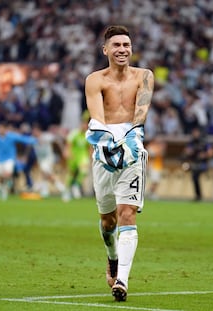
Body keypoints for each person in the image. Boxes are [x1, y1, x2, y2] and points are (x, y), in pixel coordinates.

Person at [85, 25, 154, 302]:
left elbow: (141, 112)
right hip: (104, 150)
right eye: (117, 45)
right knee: (107, 220)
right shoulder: (95, 80)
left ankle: (122, 280)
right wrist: (106, 142)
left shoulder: (145, 76)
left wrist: (132, 139)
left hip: (133, 150)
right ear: (106, 50)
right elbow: (97, 118)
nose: (123, 49)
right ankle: (112, 258)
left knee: (128, 213)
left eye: (126, 44)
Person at [31, 123, 66, 198]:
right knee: (45, 174)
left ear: (38, 131)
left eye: (34, 131)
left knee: (45, 170)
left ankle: (60, 188)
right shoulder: (33, 140)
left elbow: (57, 139)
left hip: (49, 158)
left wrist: (62, 150)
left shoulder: (46, 136)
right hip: (41, 160)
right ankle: (48, 190)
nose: (33, 133)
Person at [62, 111, 91, 201]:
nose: (84, 126)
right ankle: (67, 191)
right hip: (74, 156)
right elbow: (68, 144)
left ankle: (76, 186)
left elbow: (89, 147)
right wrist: (67, 152)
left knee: (84, 171)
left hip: (82, 156)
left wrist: (90, 155)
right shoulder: (74, 133)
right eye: (83, 124)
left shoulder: (87, 135)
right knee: (71, 174)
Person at [182, 126, 213, 201]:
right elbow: (186, 151)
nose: (195, 134)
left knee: (195, 175)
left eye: (196, 132)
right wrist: (190, 152)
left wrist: (204, 155)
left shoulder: (204, 142)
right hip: (194, 163)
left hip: (203, 164)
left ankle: (199, 195)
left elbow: (211, 152)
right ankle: (198, 195)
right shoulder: (192, 142)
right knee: (193, 175)